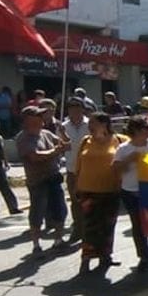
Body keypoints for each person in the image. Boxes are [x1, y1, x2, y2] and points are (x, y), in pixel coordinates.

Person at [74, 112, 129, 274]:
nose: (89, 126)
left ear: (104, 124)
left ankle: (106, 256)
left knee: (108, 225)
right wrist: (75, 186)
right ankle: (86, 259)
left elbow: (132, 156)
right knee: (89, 226)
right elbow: (78, 165)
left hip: (111, 189)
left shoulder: (120, 140)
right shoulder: (86, 141)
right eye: (89, 123)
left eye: (93, 123)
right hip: (88, 190)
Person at [113, 115, 148, 272]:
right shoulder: (124, 148)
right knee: (138, 226)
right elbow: (116, 169)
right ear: (136, 130)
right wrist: (130, 159)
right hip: (132, 192)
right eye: (147, 127)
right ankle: (144, 256)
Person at [16, 106, 70, 255]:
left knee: (60, 210)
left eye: (41, 116)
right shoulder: (23, 138)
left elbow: (67, 145)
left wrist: (63, 133)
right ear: (27, 120)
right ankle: (36, 245)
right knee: (37, 213)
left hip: (53, 177)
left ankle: (58, 240)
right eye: (37, 116)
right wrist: (55, 151)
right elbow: (35, 156)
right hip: (38, 181)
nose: (41, 119)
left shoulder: (46, 133)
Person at [61, 98, 90, 243]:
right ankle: (78, 229)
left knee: (88, 201)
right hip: (72, 169)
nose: (75, 110)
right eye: (72, 107)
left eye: (78, 107)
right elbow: (62, 146)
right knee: (75, 200)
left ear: (83, 109)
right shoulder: (63, 126)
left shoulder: (90, 124)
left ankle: (88, 230)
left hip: (89, 169)